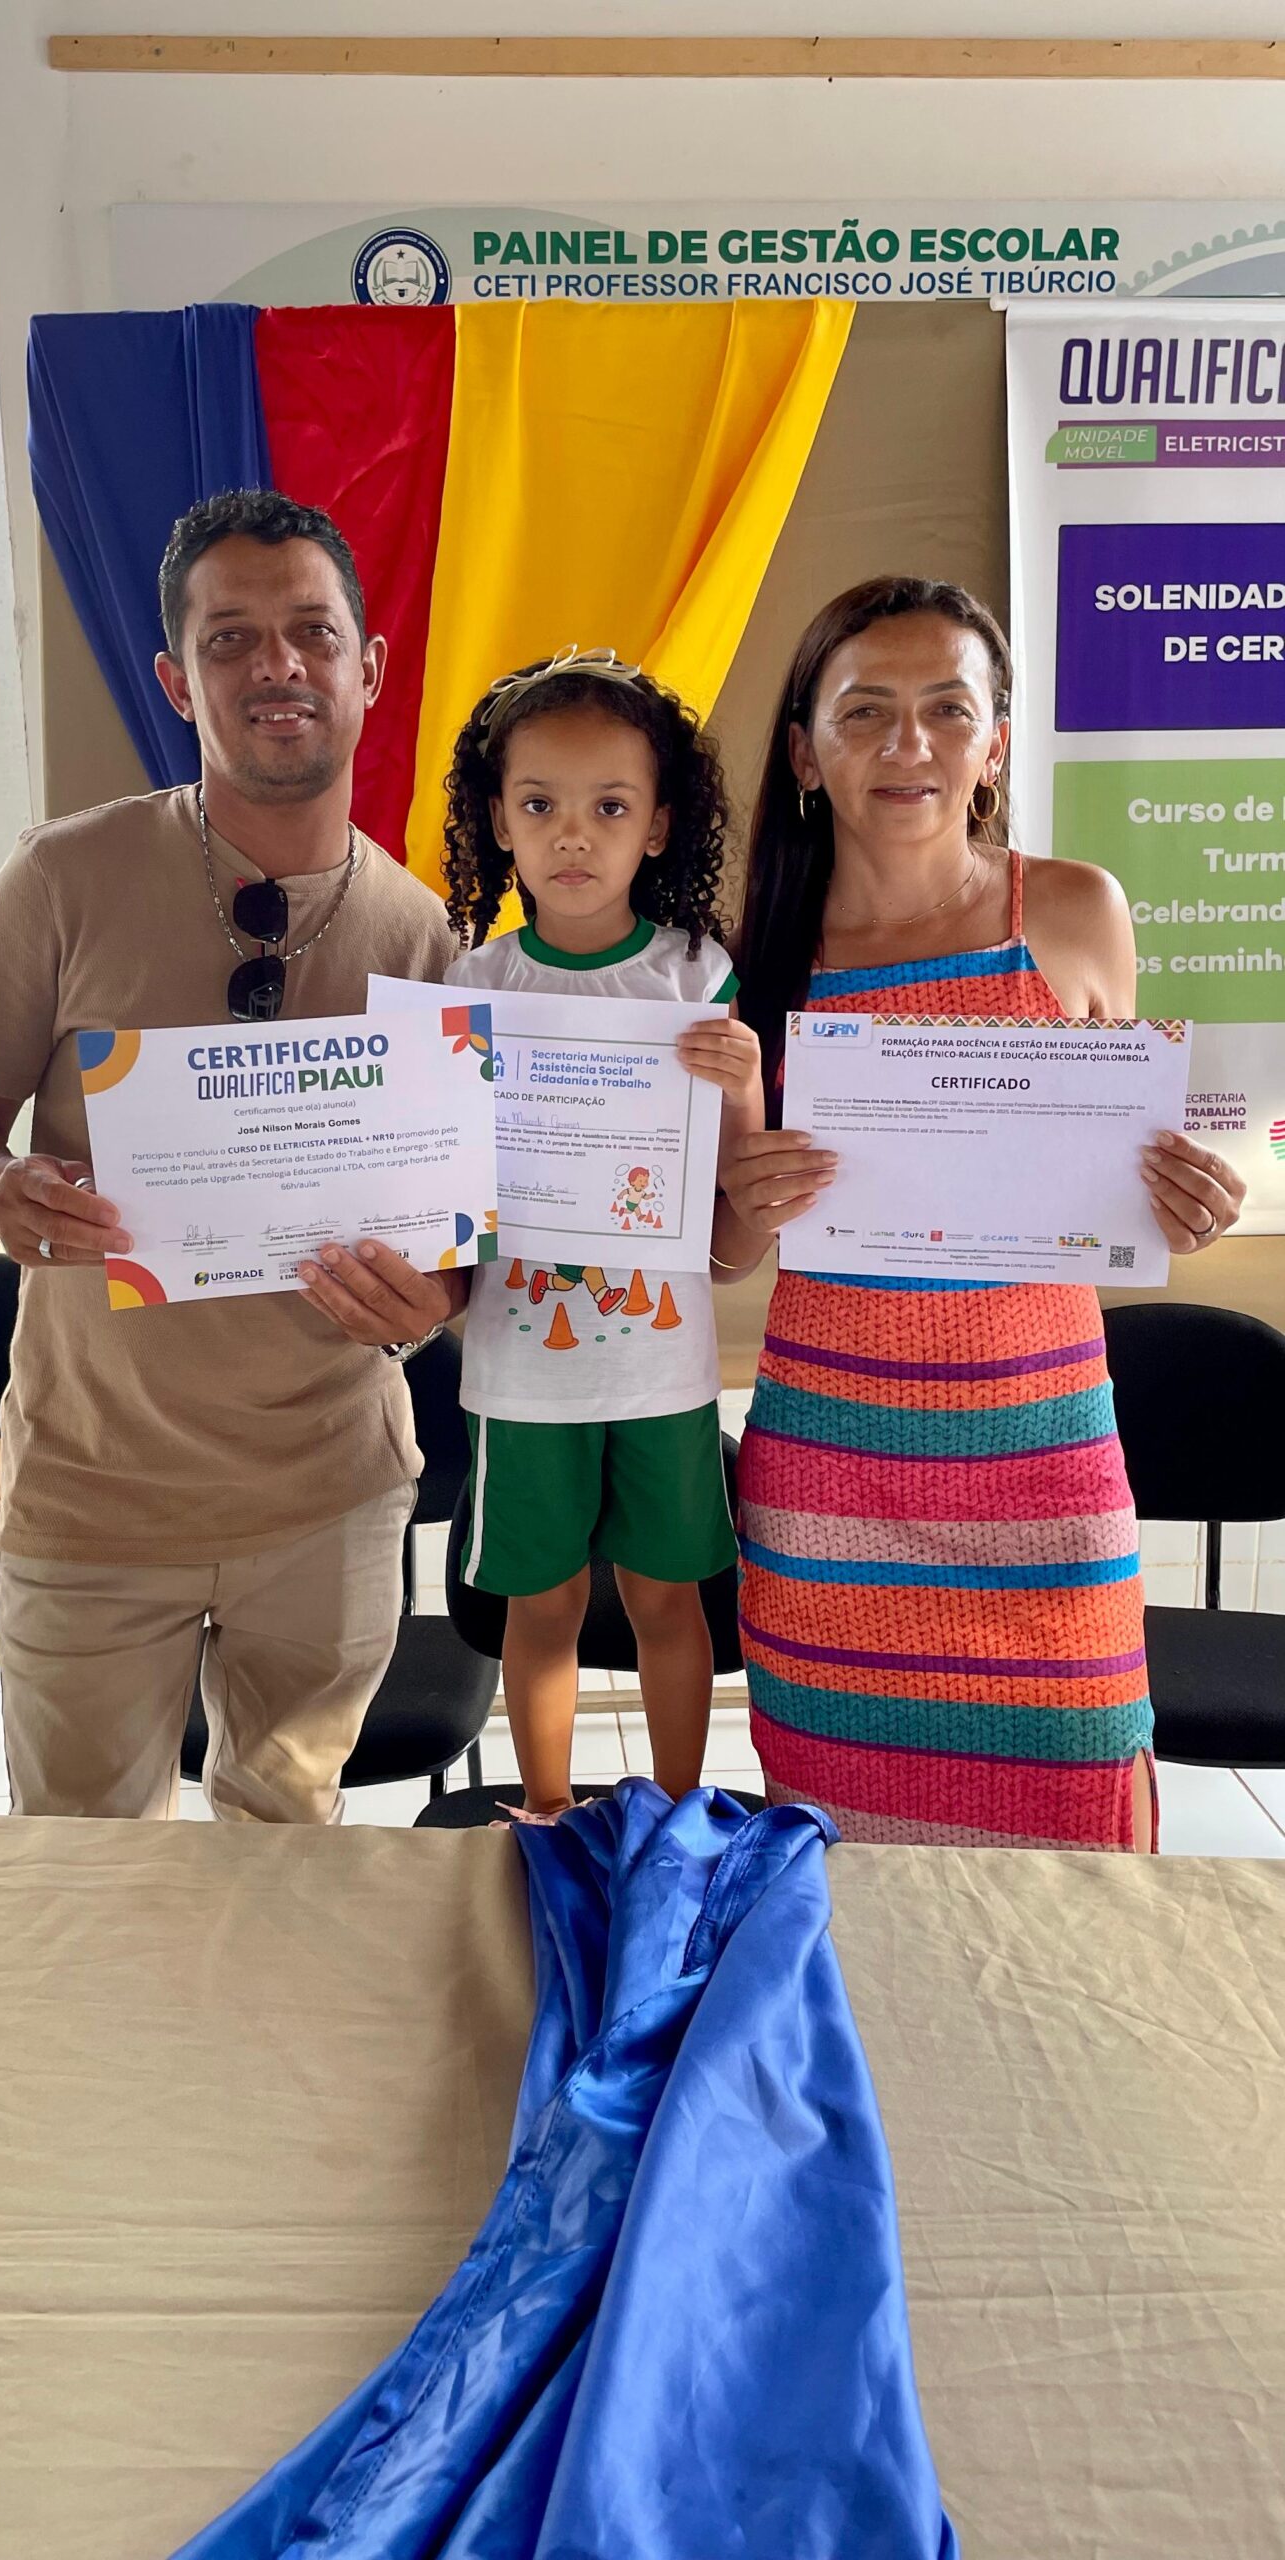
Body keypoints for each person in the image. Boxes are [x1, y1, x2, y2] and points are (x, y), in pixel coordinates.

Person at [0, 489, 463, 1822]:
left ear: (369, 668)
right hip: (92, 1494)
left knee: (284, 1850)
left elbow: (457, 1246)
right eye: (231, 639)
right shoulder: (68, 876)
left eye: (312, 632)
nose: (278, 665)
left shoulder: (423, 938)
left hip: (329, 1497)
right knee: (86, 1870)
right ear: (176, 680)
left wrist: (429, 1300)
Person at [713, 576, 1245, 1853]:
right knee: (848, 1882)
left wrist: (1185, 1204)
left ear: (995, 743)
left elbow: (1110, 1184)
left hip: (1044, 1469)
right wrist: (744, 1203)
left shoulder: (1073, 912)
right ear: (805, 752)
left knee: (1077, 1869)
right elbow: (727, 1255)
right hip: (831, 1487)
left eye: (949, 709)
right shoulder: (751, 957)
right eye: (865, 711)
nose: (910, 743)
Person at [433, 647, 758, 1817]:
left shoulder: (696, 975)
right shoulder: (469, 986)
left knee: (670, 1599)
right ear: (499, 823)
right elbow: (439, 1188)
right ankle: (548, 1809)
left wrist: (744, 1083)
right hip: (523, 1374)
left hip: (662, 1365)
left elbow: (735, 1190)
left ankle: (677, 1811)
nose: (573, 834)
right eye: (540, 805)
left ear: (659, 825)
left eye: (610, 807)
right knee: (545, 1604)